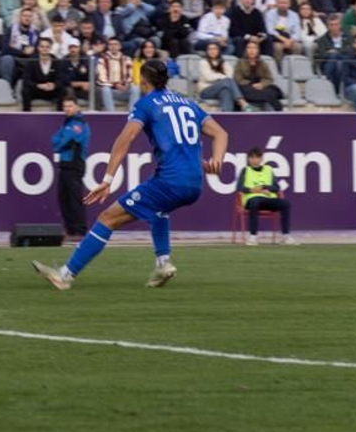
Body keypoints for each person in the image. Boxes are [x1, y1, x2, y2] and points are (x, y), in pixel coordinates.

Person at [33, 59, 229, 291]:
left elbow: (125, 140)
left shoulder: (146, 104)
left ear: (143, 81)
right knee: (158, 209)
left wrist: (107, 179)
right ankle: (163, 263)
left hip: (171, 180)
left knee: (108, 218)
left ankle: (65, 275)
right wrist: (217, 160)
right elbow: (220, 133)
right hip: (195, 183)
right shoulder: (186, 102)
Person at [236, 147, 299, 246]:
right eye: (252, 158)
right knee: (255, 201)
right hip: (251, 200)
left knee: (286, 204)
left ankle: (286, 236)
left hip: (268, 199)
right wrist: (252, 190)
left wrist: (266, 187)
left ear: (261, 159)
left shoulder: (268, 170)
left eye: (257, 158)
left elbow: (276, 187)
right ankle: (253, 237)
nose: (255, 160)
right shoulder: (245, 170)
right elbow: (239, 187)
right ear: (248, 159)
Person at [50, 96, 91, 241]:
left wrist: (59, 144)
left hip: (74, 164)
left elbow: (63, 142)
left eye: (70, 106)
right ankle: (70, 230)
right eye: (65, 106)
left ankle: (79, 231)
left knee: (74, 199)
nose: (67, 109)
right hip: (65, 165)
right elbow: (54, 140)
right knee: (64, 198)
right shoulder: (67, 123)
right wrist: (59, 143)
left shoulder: (78, 124)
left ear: (77, 107)